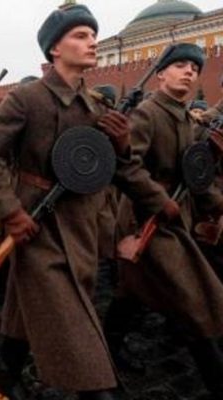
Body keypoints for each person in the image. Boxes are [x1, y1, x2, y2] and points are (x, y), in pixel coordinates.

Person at [0, 3, 132, 399]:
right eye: (81, 35)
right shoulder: (28, 98)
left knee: (22, 308)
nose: (93, 42)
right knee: (80, 337)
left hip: (82, 228)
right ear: (55, 48)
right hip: (37, 230)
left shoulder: (97, 106)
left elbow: (109, 170)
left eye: (94, 34)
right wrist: (10, 212)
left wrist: (122, 147)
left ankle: (7, 371)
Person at [109, 43, 223, 398]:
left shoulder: (187, 118)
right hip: (147, 222)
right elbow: (127, 167)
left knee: (131, 295)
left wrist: (216, 204)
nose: (189, 71)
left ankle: (108, 347)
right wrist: (158, 200)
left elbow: (194, 176)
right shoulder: (147, 114)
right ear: (161, 74)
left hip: (175, 220)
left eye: (194, 67)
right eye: (180, 65)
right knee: (194, 303)